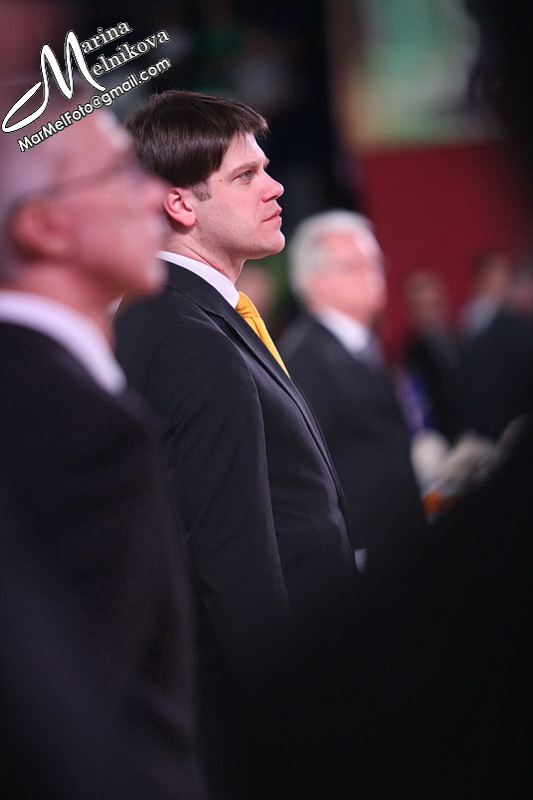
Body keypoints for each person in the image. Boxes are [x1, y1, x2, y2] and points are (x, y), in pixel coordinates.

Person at [113, 89, 358, 798]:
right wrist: (296, 721)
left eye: (267, 168)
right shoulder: (186, 337)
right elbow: (230, 559)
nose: (274, 187)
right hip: (266, 715)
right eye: (246, 175)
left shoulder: (194, 319)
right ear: (180, 204)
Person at [0, 94, 204, 799]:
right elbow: (95, 723)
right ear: (45, 225)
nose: (154, 195)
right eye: (121, 172)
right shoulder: (73, 426)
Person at [278, 209, 426, 570]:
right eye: (354, 265)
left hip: (397, 544)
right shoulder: (305, 358)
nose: (372, 275)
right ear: (314, 280)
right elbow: (305, 473)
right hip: (361, 554)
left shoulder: (360, 344)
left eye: (376, 262)